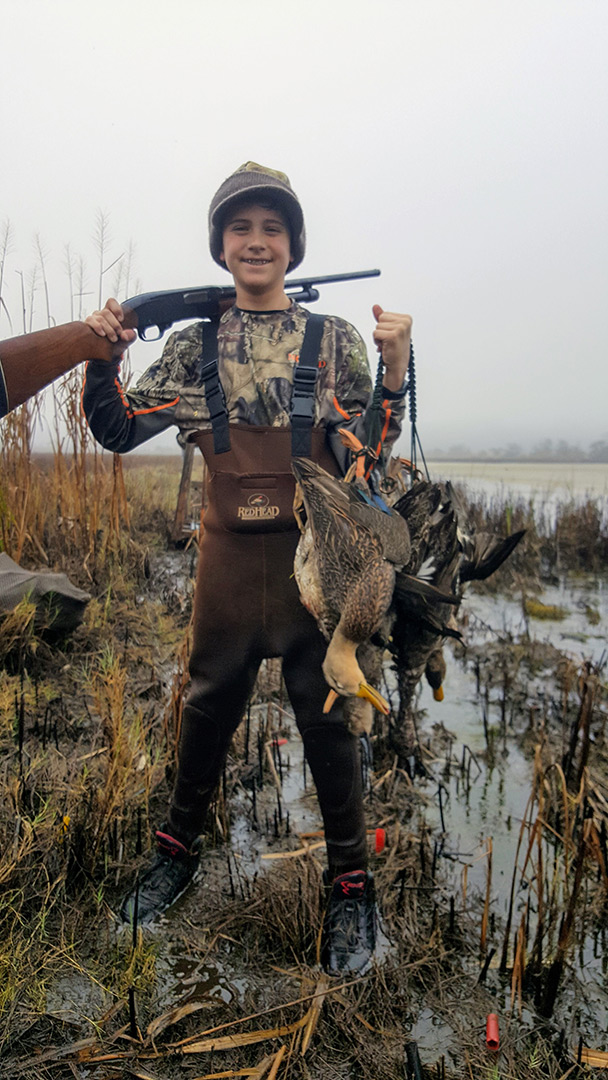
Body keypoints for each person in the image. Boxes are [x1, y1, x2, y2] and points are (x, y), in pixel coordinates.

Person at [83, 162, 412, 976]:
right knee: (204, 712)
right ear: (220, 245)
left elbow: (370, 456)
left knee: (330, 720)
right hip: (226, 572)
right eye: (241, 227)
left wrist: (396, 369)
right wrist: (101, 355)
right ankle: (175, 854)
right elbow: (116, 430)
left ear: (293, 246)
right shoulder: (192, 345)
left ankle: (351, 886)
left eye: (272, 227)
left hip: (315, 573)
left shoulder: (333, 341)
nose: (256, 240)